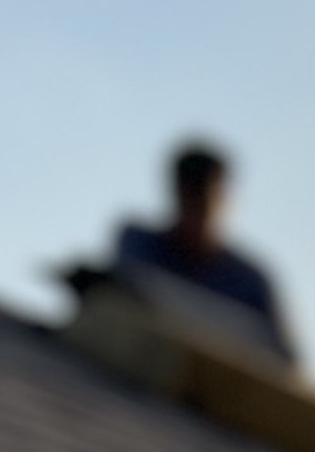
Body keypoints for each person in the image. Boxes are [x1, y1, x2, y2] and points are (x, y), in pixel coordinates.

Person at [108, 141, 300, 368]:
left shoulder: (252, 282)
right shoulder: (140, 243)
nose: (198, 210)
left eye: (206, 199)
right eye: (191, 195)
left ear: (223, 198)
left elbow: (287, 363)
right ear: (176, 193)